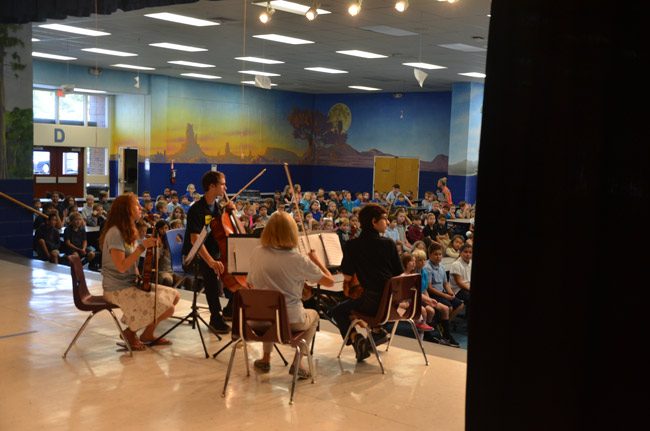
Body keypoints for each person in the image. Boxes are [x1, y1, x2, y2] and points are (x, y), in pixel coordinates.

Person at [246, 211, 334, 379]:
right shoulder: (298, 259)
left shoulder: (257, 252)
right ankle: (298, 363)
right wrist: (316, 261)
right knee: (314, 316)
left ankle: (265, 358)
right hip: (289, 322)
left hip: (257, 321)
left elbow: (250, 282)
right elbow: (329, 282)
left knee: (270, 305)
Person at [99, 193, 180, 351]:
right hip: (116, 288)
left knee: (174, 295)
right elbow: (121, 266)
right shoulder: (115, 233)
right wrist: (142, 247)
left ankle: (147, 334)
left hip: (129, 283)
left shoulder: (128, 230)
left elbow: (132, 263)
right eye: (136, 205)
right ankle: (130, 333)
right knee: (167, 308)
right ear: (126, 210)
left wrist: (140, 277)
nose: (140, 208)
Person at [331, 204, 404, 362]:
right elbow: (399, 273)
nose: (387, 221)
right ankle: (377, 331)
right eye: (384, 219)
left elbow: (348, 276)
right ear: (373, 221)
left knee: (337, 310)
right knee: (351, 305)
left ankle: (357, 339)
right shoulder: (389, 244)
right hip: (390, 305)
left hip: (370, 304)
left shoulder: (352, 245)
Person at [182, 170, 234, 333]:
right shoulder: (196, 210)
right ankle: (215, 317)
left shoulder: (218, 208)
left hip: (215, 253)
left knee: (238, 269)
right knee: (211, 271)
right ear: (212, 186)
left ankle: (230, 310)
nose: (225, 188)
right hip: (195, 256)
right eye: (223, 184)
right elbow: (194, 240)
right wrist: (211, 261)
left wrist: (229, 213)